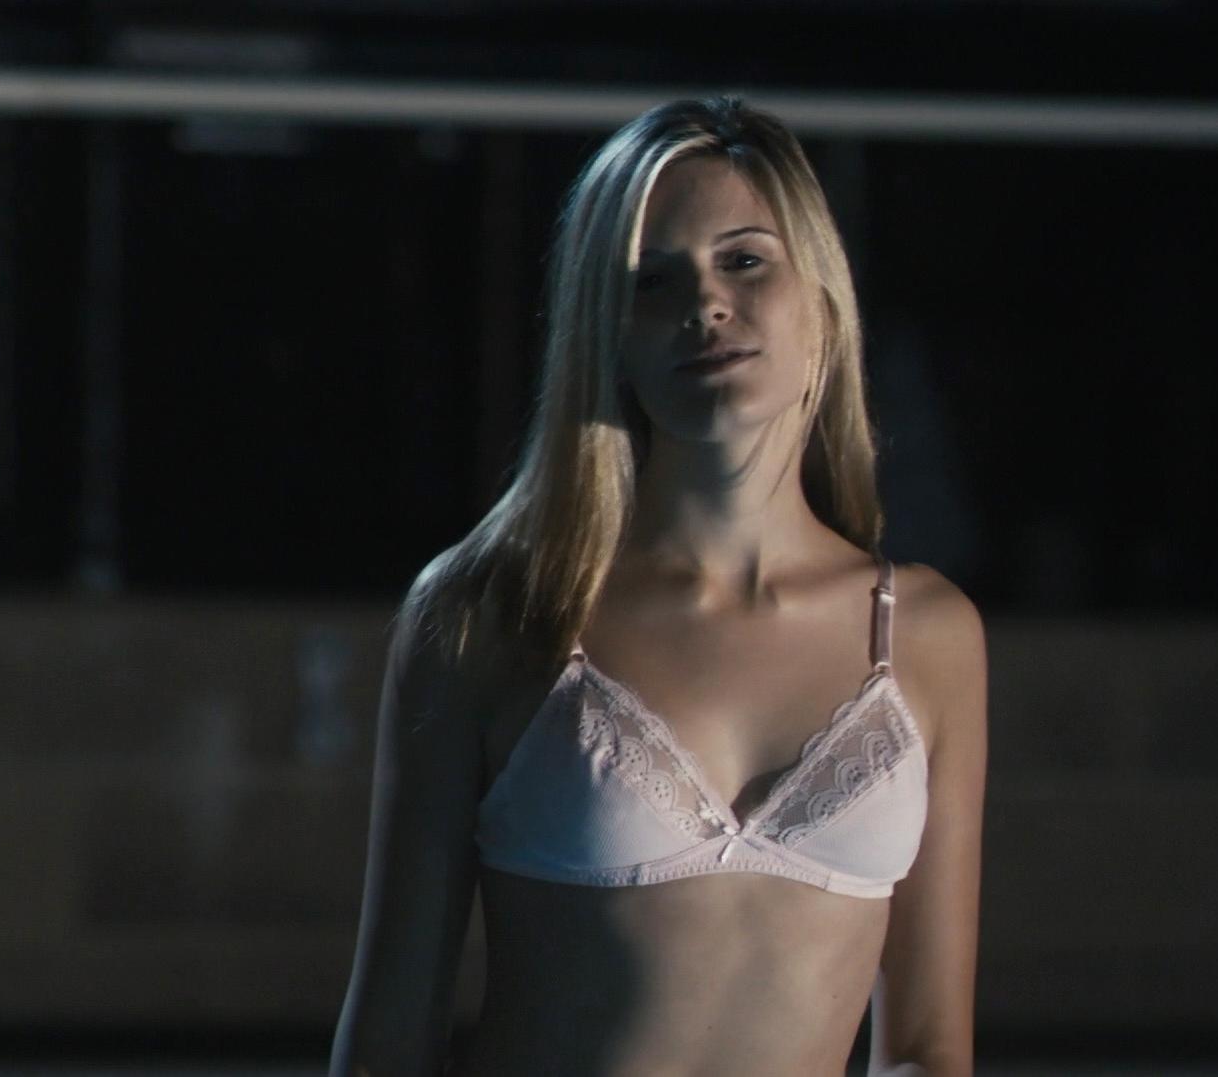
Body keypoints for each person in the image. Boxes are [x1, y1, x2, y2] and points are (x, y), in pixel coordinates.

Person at [331, 96, 987, 1077]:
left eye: (744, 260)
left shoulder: (924, 633)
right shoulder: (490, 612)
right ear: (607, 331)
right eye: (653, 279)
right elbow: (390, 1032)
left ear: (821, 299)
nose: (706, 303)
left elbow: (930, 1046)